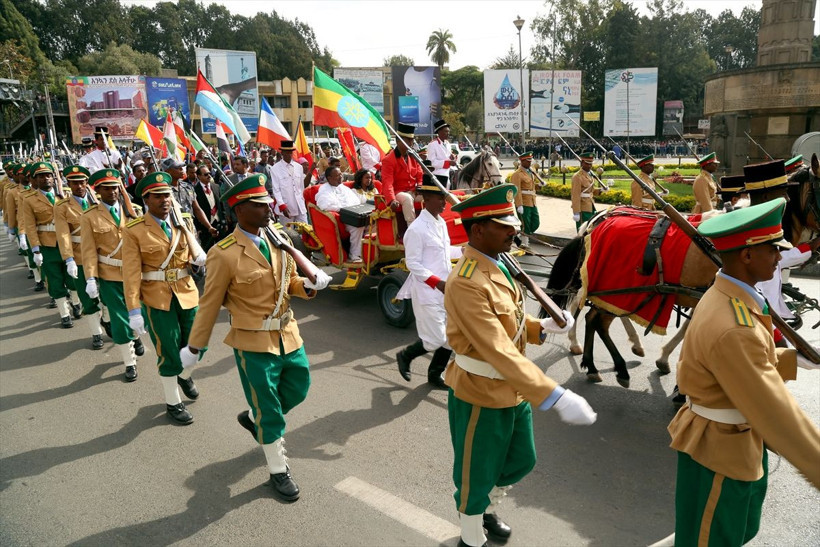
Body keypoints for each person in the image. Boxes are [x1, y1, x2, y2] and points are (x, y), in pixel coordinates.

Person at [444, 183, 595, 547]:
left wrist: (540, 326)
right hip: (480, 390)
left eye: (512, 223)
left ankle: (487, 507)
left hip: (512, 389)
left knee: (521, 460)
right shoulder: (466, 281)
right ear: (478, 230)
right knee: (475, 472)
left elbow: (509, 321)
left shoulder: (498, 264)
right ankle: (470, 534)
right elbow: (496, 348)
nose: (514, 230)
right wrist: (554, 395)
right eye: (504, 225)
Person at [668, 197, 820, 547]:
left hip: (731, 441)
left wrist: (794, 360)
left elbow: (735, 367)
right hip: (722, 451)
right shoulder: (735, 323)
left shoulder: (728, 295)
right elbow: (776, 411)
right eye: (773, 249)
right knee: (713, 540)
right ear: (747, 256)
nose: (780, 256)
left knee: (731, 531)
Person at [181, 175, 332, 501]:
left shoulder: (278, 239)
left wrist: (305, 287)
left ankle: (255, 419)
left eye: (267, 202)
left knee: (298, 387)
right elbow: (209, 304)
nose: (268, 208)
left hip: (288, 334)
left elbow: (289, 280)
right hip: (252, 341)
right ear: (239, 210)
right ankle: (278, 470)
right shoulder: (223, 253)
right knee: (270, 408)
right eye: (260, 204)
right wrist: (196, 346)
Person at [122, 173, 207, 425]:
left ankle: (184, 373)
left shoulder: (183, 223)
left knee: (196, 345)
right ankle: (173, 401)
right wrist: (133, 310)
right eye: (158, 196)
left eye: (167, 194)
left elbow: (193, 259)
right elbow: (130, 272)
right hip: (157, 297)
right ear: (146, 199)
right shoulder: (135, 230)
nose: (165, 200)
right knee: (168, 350)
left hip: (186, 292)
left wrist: (198, 266)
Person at [396, 166, 458, 389]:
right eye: (441, 198)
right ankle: (405, 355)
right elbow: (413, 264)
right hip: (427, 291)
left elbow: (445, 251)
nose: (445, 202)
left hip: (446, 288)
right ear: (428, 198)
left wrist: (469, 251)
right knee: (436, 339)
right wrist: (436, 282)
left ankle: (435, 374)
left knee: (451, 334)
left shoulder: (440, 223)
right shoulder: (417, 229)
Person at [81, 169, 144, 382]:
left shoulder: (133, 210)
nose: (112, 192)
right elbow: (89, 250)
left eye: (115, 187)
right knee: (119, 319)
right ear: (97, 191)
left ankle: (135, 337)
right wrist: (90, 277)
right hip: (110, 274)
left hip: (136, 273)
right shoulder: (90, 216)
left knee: (137, 313)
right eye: (106, 188)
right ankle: (129, 363)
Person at [19, 162, 78, 328]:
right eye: (41, 176)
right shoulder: (29, 199)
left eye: (48, 175)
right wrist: (36, 250)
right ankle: (64, 314)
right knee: (55, 280)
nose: (46, 178)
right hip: (48, 244)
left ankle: (76, 302)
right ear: (36, 180)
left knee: (72, 278)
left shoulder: (64, 195)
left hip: (69, 242)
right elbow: (30, 226)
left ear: (53, 177)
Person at [55, 165, 106, 349]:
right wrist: (69, 259)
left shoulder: (99, 203)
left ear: (87, 183)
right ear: (68, 184)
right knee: (87, 298)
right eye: (75, 183)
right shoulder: (62, 207)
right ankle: (96, 333)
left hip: (103, 255)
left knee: (107, 294)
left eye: (82, 182)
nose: (79, 186)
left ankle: (107, 320)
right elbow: (63, 235)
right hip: (79, 255)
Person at [315, 166, 365, 262]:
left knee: (372, 222)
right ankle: (354, 255)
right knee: (358, 226)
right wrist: (344, 208)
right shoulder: (324, 189)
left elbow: (356, 201)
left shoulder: (343, 187)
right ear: (329, 178)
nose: (341, 177)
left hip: (352, 213)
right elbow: (325, 205)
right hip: (341, 218)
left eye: (341, 174)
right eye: (338, 175)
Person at [380, 123, 423, 226]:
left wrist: (420, 185)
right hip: (397, 193)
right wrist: (391, 199)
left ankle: (427, 226)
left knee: (430, 196)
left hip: (413, 191)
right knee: (407, 199)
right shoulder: (388, 160)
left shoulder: (413, 156)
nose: (411, 143)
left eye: (412, 140)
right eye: (408, 140)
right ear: (398, 141)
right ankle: (412, 229)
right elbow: (387, 182)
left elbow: (420, 174)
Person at [270, 141, 309, 223]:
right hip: (286, 206)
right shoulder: (275, 169)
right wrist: (282, 205)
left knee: (306, 231)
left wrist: (303, 201)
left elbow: (301, 187)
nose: (288, 154)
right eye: (286, 152)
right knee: (288, 233)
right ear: (282, 153)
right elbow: (276, 190)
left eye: (290, 152)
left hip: (300, 205)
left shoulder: (299, 167)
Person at [510, 151, 539, 248]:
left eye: (530, 160)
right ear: (522, 161)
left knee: (535, 223)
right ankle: (525, 245)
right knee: (525, 224)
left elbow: (531, 186)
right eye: (527, 161)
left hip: (532, 201)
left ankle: (518, 236)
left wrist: (539, 186)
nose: (530, 163)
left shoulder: (531, 172)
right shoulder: (517, 174)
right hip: (523, 202)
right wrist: (519, 205)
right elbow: (516, 190)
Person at [193, 165, 222, 251]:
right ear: (199, 176)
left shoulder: (216, 186)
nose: (209, 176)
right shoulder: (195, 190)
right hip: (205, 227)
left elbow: (221, 204)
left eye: (209, 173)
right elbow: (195, 211)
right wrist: (198, 228)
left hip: (218, 223)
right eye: (205, 174)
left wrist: (223, 219)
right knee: (208, 250)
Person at [571, 151, 601, 230]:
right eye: (587, 163)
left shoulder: (590, 175)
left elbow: (591, 191)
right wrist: (576, 212)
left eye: (590, 164)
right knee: (583, 233)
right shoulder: (577, 177)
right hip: (582, 208)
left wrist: (601, 190)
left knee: (590, 230)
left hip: (590, 206)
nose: (589, 166)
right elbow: (575, 195)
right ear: (582, 163)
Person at [427, 119, 458, 189]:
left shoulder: (447, 143)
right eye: (446, 131)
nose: (448, 133)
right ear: (439, 132)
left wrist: (452, 157)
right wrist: (448, 163)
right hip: (438, 172)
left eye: (449, 131)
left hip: (449, 170)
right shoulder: (432, 144)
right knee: (446, 182)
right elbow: (432, 163)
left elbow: (447, 156)